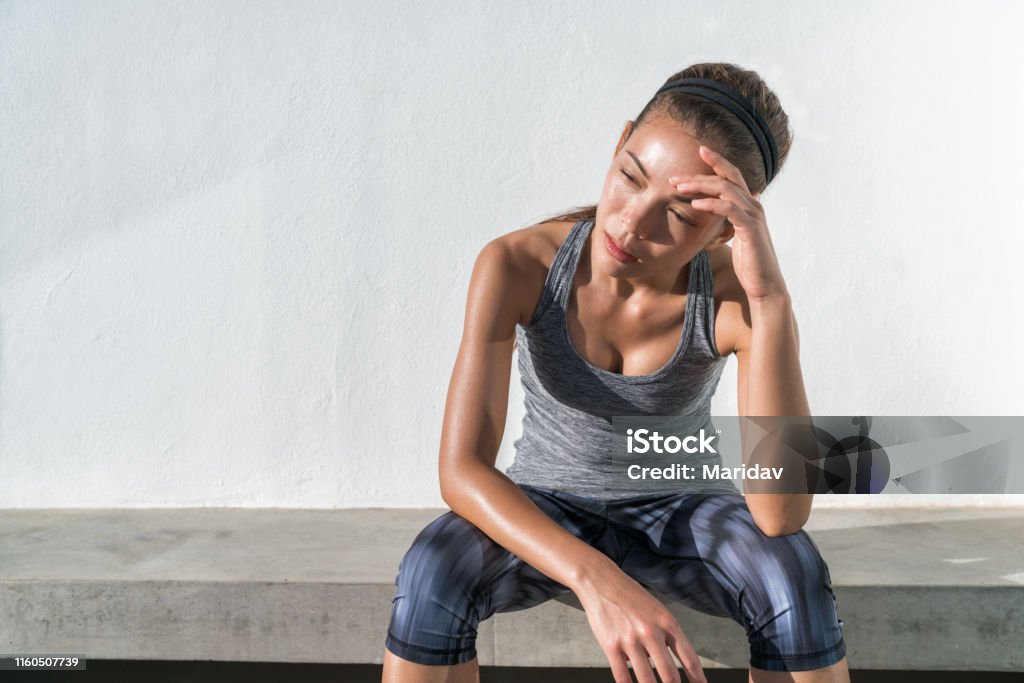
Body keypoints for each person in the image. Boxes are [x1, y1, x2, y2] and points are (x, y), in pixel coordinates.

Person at [381, 62, 850, 683]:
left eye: (681, 216)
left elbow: (779, 514)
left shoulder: (737, 299)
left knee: (790, 569)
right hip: (548, 504)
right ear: (620, 140)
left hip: (681, 509)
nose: (630, 223)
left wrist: (769, 303)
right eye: (630, 177)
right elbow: (461, 470)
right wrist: (597, 579)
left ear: (723, 224)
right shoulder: (517, 263)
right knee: (431, 569)